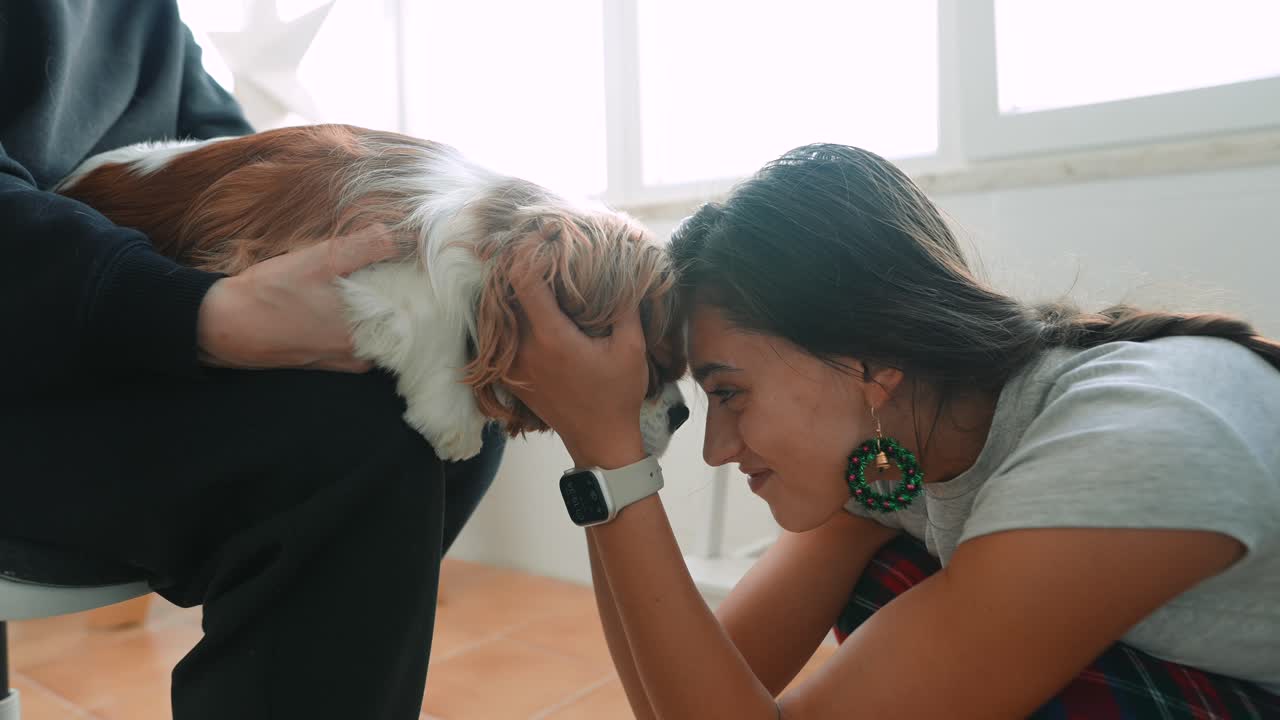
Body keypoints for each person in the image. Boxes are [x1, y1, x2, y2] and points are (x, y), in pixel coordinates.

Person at [507, 143, 1280, 718]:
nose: (717, 447)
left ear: (870, 361)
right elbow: (685, 698)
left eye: (730, 392)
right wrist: (601, 449)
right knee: (894, 585)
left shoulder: (1127, 441)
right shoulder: (891, 462)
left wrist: (613, 456)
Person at [0, 2, 502, 718]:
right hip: (28, 357)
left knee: (459, 402)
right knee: (352, 447)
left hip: (105, 334)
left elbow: (225, 151)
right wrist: (198, 314)